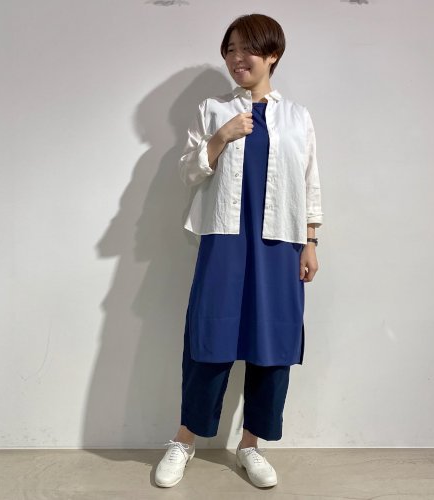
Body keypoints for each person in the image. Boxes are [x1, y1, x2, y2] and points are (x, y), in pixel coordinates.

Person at [155, 12, 323, 488]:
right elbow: (188, 172)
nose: (236, 58)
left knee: (272, 345)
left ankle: (251, 445)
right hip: (224, 239)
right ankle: (184, 440)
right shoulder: (213, 110)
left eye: (247, 48)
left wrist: (311, 241)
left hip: (280, 244)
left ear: (272, 55)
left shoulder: (297, 117)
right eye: (229, 49)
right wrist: (220, 136)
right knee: (209, 338)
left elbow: (310, 181)